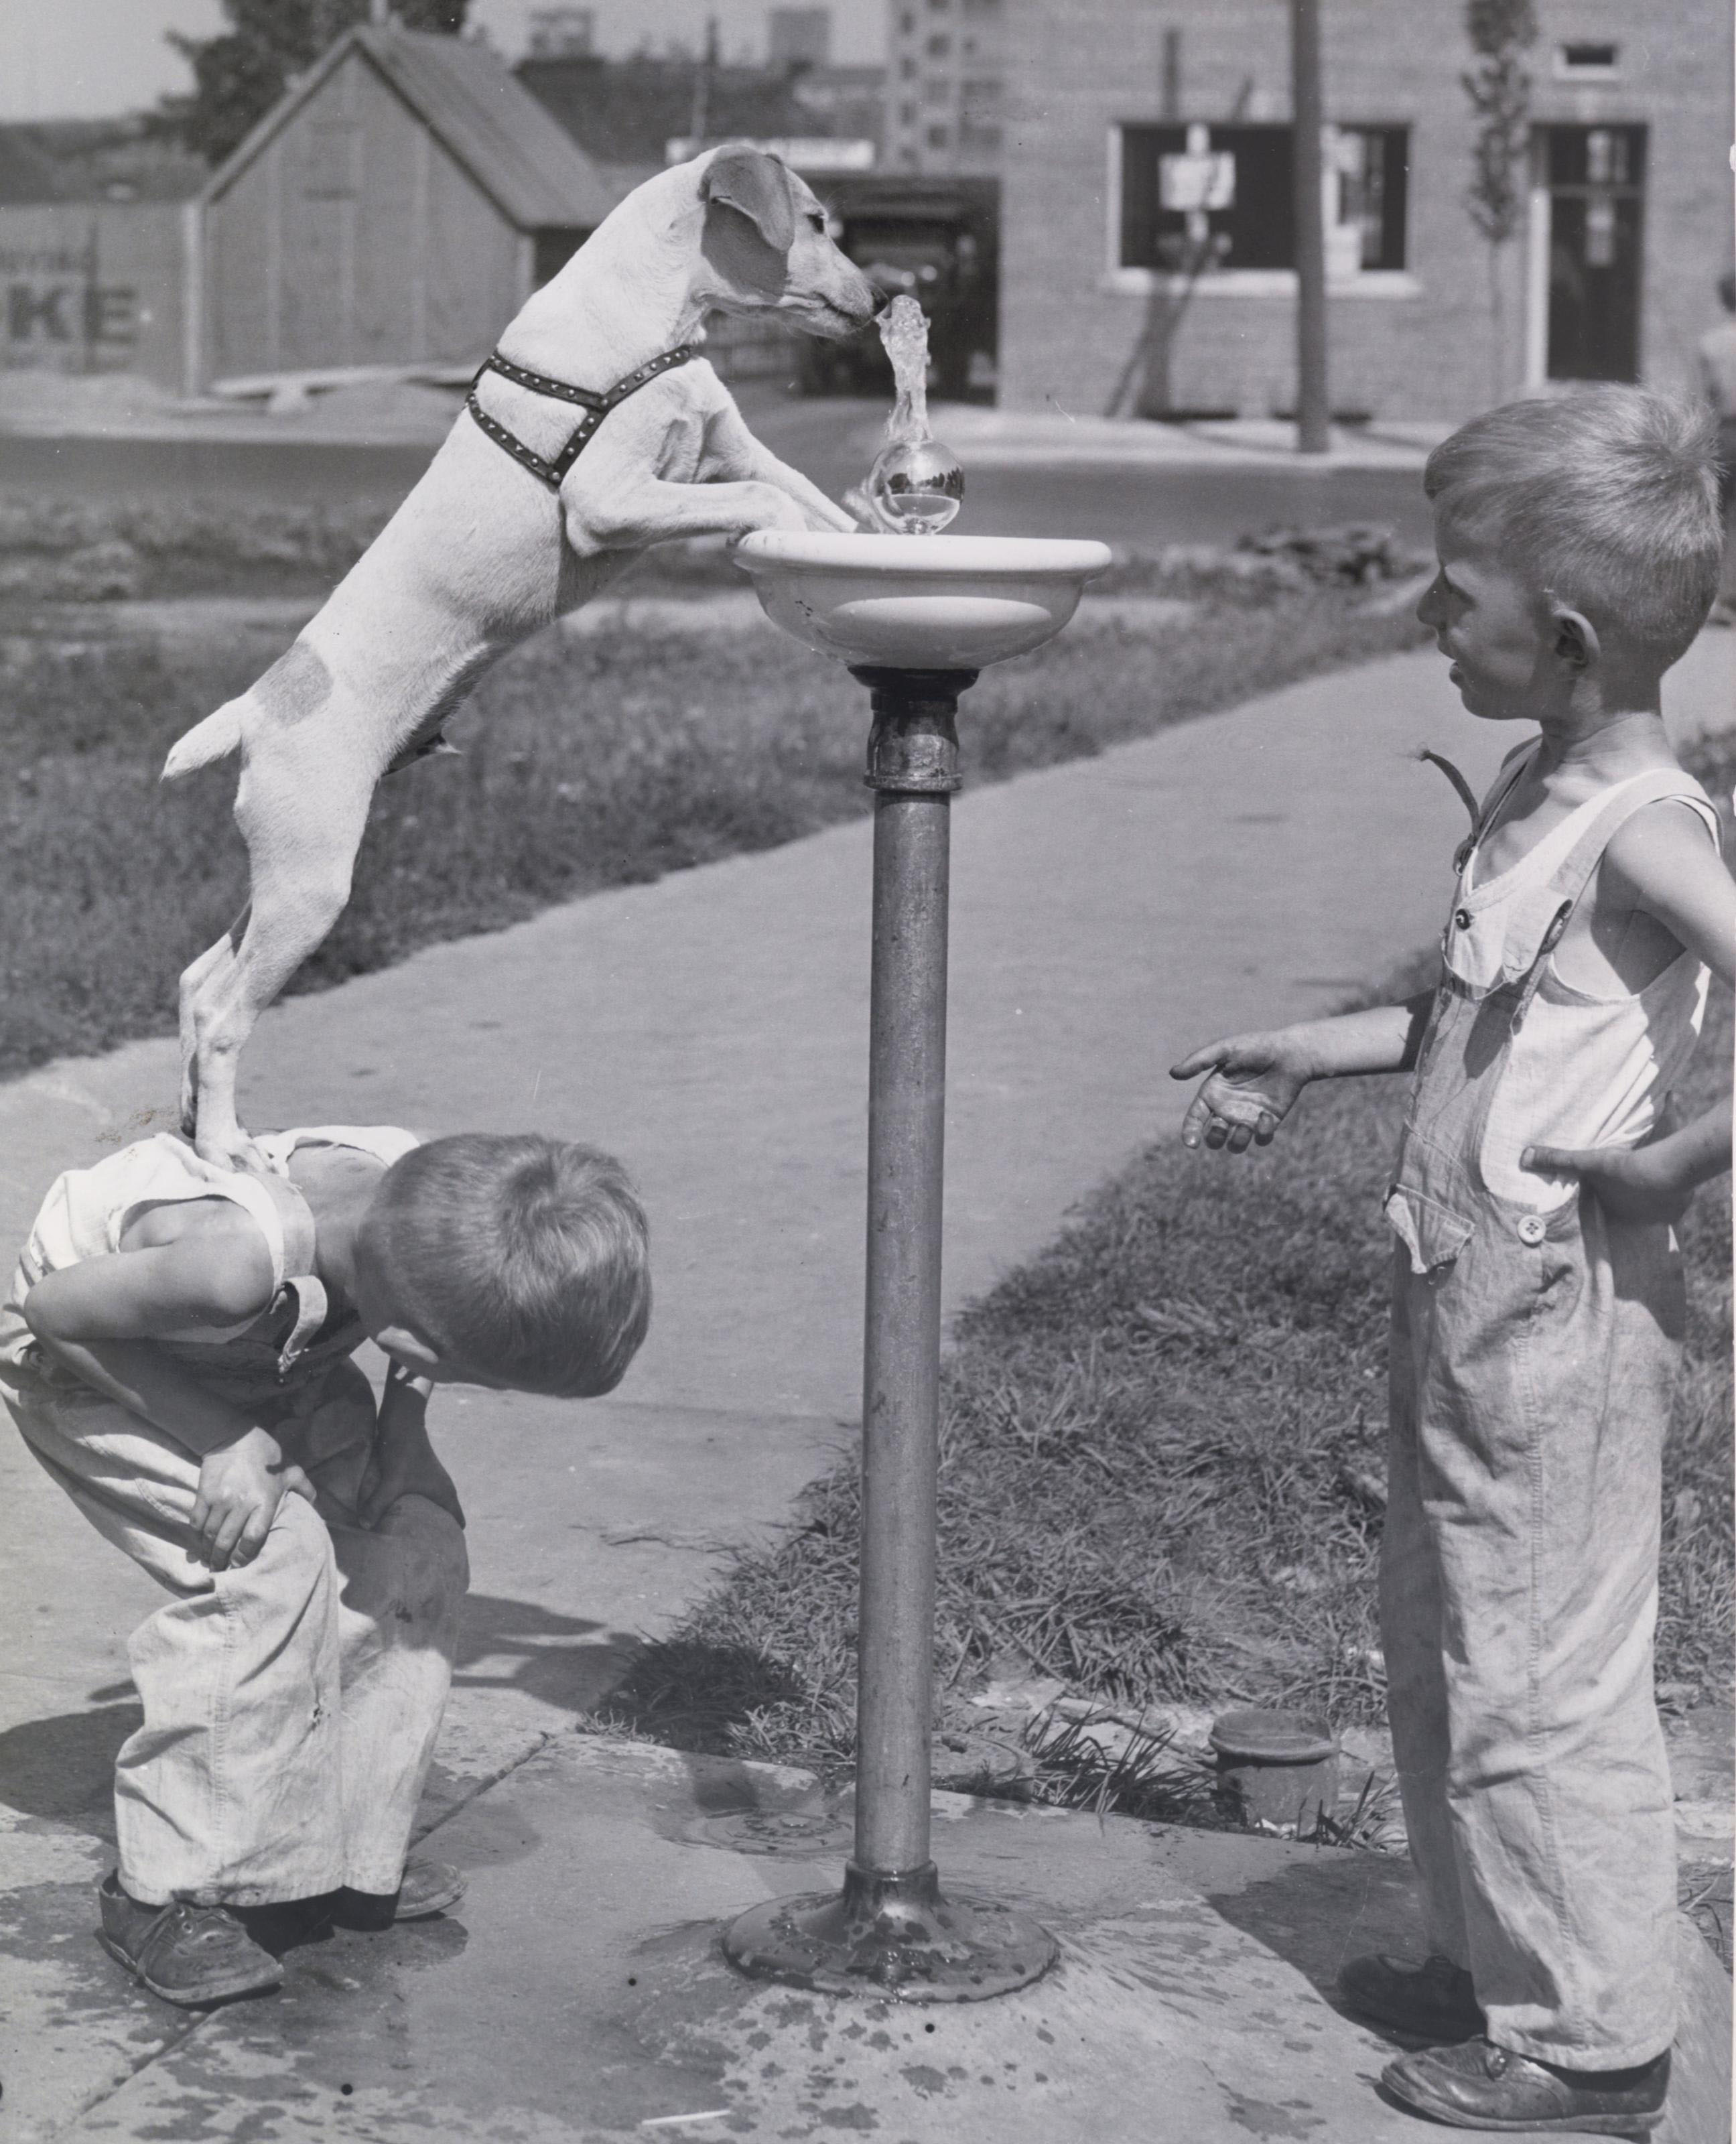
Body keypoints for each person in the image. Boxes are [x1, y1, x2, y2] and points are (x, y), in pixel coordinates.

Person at [1170, 387, 1733, 2135]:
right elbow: (1470, 1003)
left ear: (1559, 641)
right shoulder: (1530, 779)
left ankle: (1591, 2049)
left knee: (1539, 1665)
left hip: (1558, 1299)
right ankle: (1503, 1955)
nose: (1420, 621)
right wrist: (1310, 1048)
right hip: (1462, 1287)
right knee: (1443, 1636)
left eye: (1448, 596)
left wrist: (1678, 1155)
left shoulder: (1638, 820)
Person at [0, 1124, 650, 2007]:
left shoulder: (431, 1206)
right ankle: (168, 1890)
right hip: (92, 1362)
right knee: (272, 1557)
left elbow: (412, 1350)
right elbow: (57, 1315)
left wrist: (403, 1438)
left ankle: (337, 1847)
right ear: (417, 1343)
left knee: (413, 1540)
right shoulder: (232, 1260)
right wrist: (224, 1438)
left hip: (268, 1362)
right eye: (484, 1381)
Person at [1698, 269, 1736, 623]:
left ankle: (1721, 599)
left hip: (1725, 433)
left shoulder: (1711, 343)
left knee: (1720, 517)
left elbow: (1708, 397)